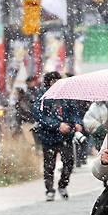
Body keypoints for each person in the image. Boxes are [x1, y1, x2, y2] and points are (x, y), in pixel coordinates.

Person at [33, 71, 80, 201]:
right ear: (47, 82)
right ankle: (49, 189)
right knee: (49, 165)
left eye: (57, 81)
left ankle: (63, 185)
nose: (55, 84)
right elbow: (39, 116)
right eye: (52, 81)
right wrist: (57, 125)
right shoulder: (42, 96)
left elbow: (74, 111)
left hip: (66, 137)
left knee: (69, 163)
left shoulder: (66, 95)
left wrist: (77, 123)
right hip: (48, 137)